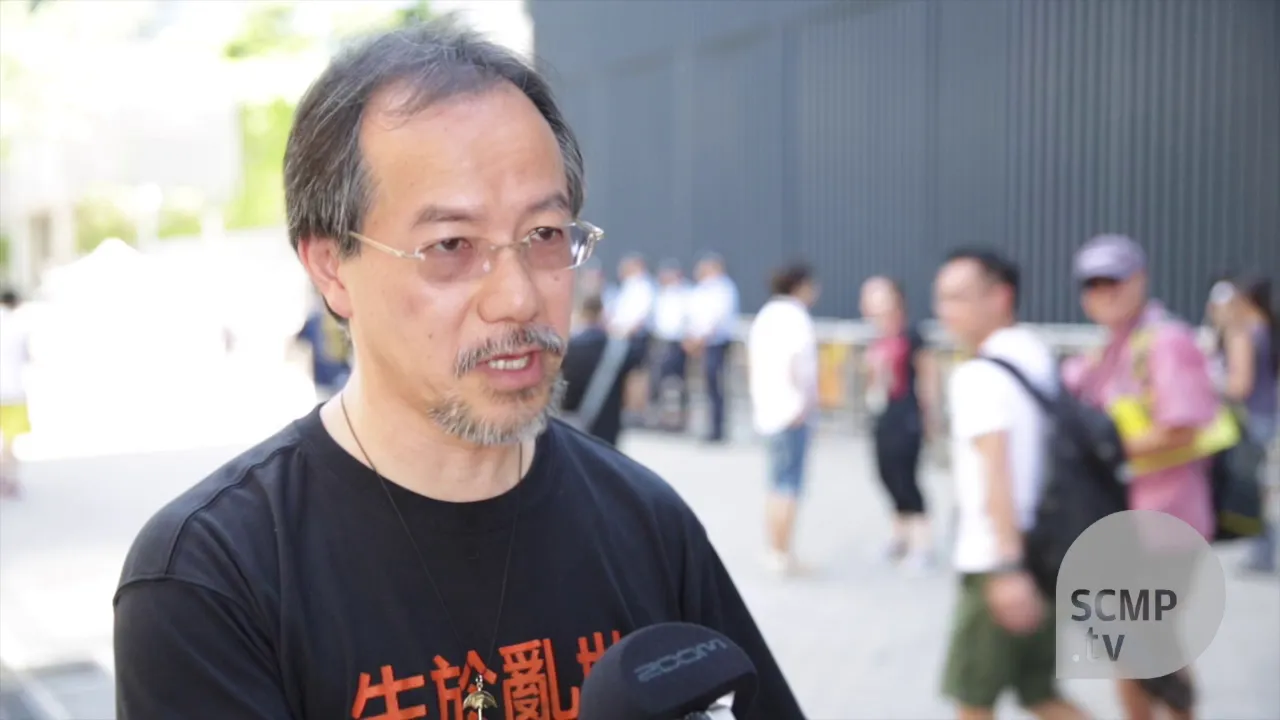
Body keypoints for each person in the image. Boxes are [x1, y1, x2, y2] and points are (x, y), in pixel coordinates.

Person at [112, 22, 802, 720]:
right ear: (331, 267)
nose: (518, 297)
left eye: (544, 235)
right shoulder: (213, 577)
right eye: (450, 245)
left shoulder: (646, 523)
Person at [1062, 234, 1218, 720]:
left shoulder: (1165, 343)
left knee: (1149, 647)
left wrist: (1105, 450)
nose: (1104, 292)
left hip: (1164, 524)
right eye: (1093, 284)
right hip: (1124, 525)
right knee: (1131, 648)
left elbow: (1182, 428)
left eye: (1114, 280)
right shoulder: (1109, 350)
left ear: (1140, 280)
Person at [934, 249, 1085, 720]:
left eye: (959, 297)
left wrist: (1006, 567)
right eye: (942, 298)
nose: (945, 310)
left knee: (972, 701)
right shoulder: (1033, 353)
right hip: (1045, 550)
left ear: (1001, 297)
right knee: (1039, 693)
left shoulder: (978, 375)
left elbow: (995, 469)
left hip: (998, 559)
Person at [860, 276, 938, 571]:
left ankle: (922, 543)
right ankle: (900, 536)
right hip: (883, 414)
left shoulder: (913, 336)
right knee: (886, 474)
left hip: (907, 415)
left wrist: (931, 418)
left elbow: (929, 377)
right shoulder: (877, 339)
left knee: (907, 478)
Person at [747, 264, 819, 576]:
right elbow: (799, 365)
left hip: (767, 410)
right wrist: (803, 404)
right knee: (789, 485)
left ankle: (774, 548)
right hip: (791, 412)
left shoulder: (765, 315)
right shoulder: (795, 316)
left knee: (775, 483)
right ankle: (783, 552)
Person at [1207, 274, 1278, 573]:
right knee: (1257, 485)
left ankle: (1263, 551)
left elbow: (1239, 385)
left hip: (1249, 418)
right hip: (1265, 415)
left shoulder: (1242, 334)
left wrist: (1209, 384)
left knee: (1250, 486)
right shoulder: (1265, 328)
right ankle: (1262, 550)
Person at [560, 295, 646, 446]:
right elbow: (636, 394)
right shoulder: (620, 349)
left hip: (568, 432)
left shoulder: (567, 348)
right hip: (607, 434)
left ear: (580, 312)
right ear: (602, 312)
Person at [685, 253, 739, 443]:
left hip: (715, 342)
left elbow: (717, 318)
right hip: (700, 342)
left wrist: (700, 338)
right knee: (705, 386)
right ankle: (706, 425)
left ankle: (717, 428)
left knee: (716, 384)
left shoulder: (723, 288)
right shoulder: (703, 288)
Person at [650, 259, 691, 431]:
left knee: (678, 382)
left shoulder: (685, 293)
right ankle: (660, 417)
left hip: (678, 342)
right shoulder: (662, 293)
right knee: (658, 381)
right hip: (661, 340)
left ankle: (680, 419)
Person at [0, 289, 31, 499]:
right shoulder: (19, 326)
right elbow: (26, 356)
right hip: (14, 393)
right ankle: (9, 481)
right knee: (9, 442)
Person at [295, 290, 353, 400]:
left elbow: (299, 342)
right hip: (342, 375)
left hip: (324, 378)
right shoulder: (343, 317)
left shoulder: (314, 319)